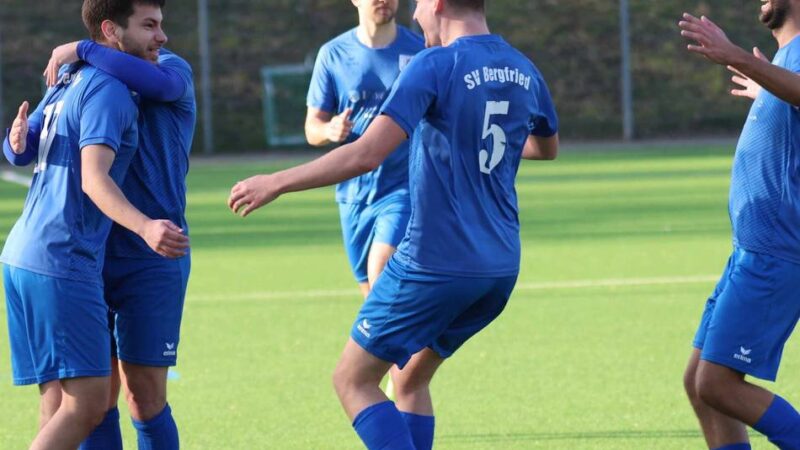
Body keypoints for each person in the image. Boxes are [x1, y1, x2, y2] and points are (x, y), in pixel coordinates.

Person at [228, 0, 558, 447]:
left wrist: (277, 182)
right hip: (499, 268)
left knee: (353, 381)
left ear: (437, 3)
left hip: (435, 263)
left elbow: (366, 153)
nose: (415, 11)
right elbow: (545, 146)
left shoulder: (435, 63)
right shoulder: (523, 67)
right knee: (408, 382)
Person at [1, 0, 187, 448]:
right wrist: (15, 144)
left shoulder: (169, 69)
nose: (161, 36)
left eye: (161, 24)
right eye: (149, 25)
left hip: (151, 255)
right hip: (86, 254)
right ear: (112, 29)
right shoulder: (86, 80)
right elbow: (30, 148)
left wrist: (83, 47)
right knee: (88, 399)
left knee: (143, 397)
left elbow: (155, 84)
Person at [679, 3, 800, 449]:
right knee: (701, 385)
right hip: (750, 248)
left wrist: (736, 55)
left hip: (778, 249)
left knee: (718, 384)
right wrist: (764, 88)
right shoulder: (785, 57)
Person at [306, 0, 424, 299]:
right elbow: (312, 129)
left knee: (382, 270)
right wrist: (329, 130)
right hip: (353, 195)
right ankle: (409, 346)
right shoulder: (333, 54)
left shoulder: (420, 51)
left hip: (404, 188)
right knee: (371, 295)